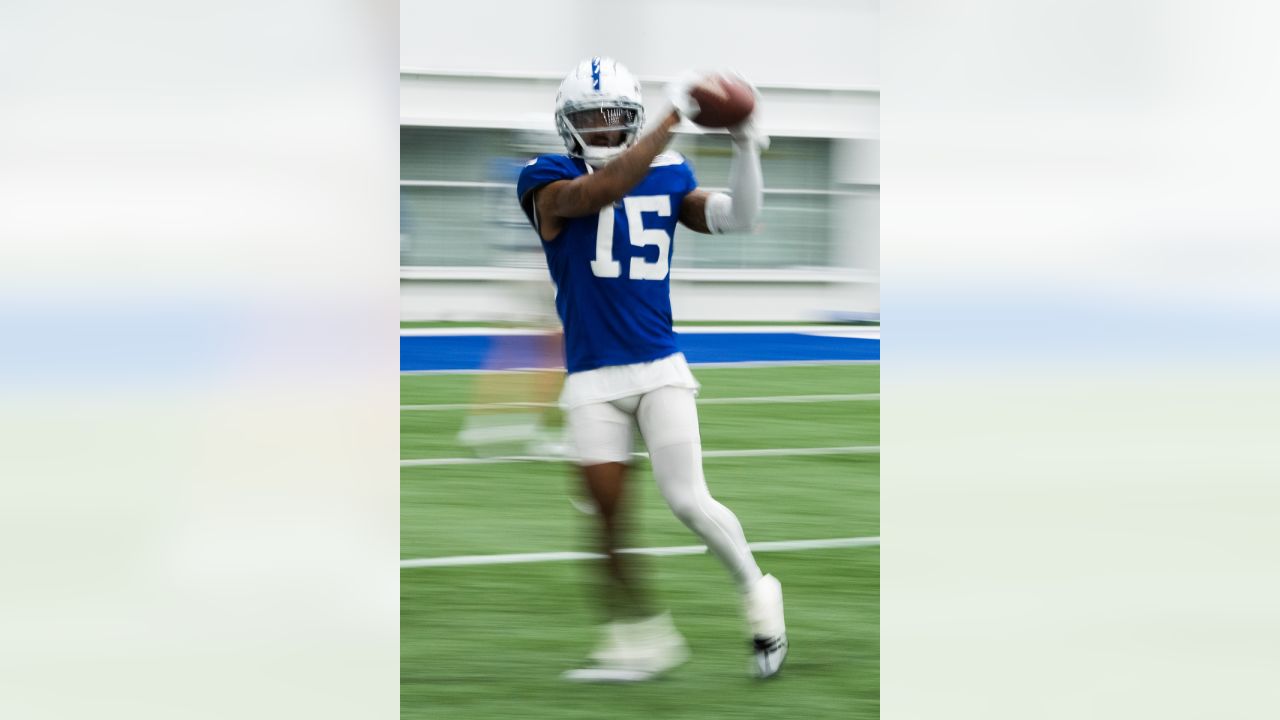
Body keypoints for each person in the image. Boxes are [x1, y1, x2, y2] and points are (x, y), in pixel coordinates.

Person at [515, 57, 786, 681]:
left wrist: (747, 149)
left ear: (634, 122)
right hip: (591, 378)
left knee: (688, 500)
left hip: (658, 367)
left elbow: (738, 218)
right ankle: (639, 643)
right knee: (606, 517)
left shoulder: (665, 172)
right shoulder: (546, 179)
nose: (605, 130)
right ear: (567, 126)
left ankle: (758, 591)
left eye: (617, 119)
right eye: (591, 118)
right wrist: (674, 116)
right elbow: (596, 193)